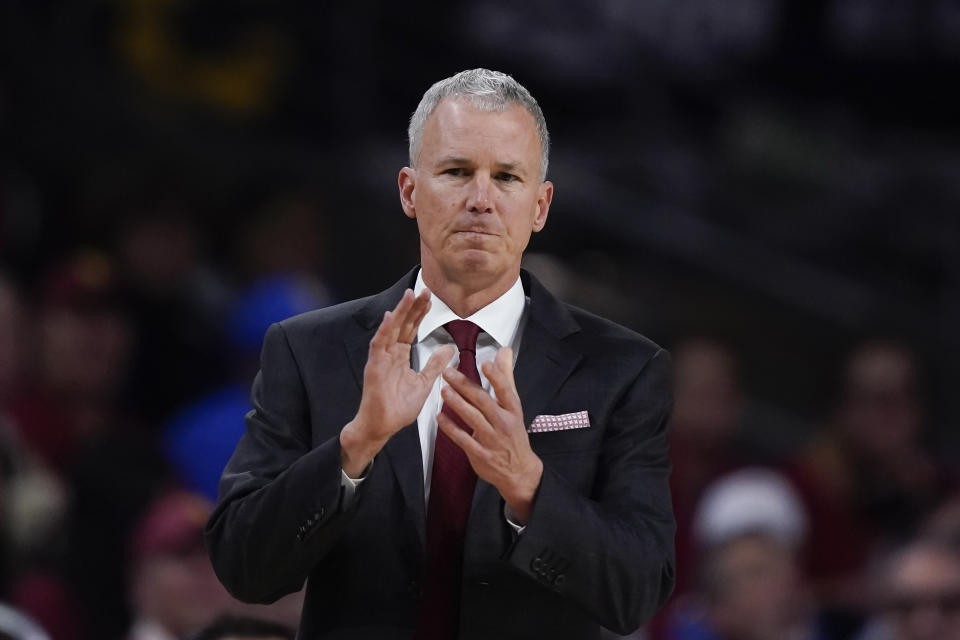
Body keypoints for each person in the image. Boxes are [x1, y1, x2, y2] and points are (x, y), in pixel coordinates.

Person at [206, 68, 676, 639]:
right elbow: (243, 569)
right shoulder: (309, 350)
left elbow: (639, 590)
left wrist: (527, 484)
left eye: (506, 177)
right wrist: (356, 445)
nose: (481, 199)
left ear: (540, 205)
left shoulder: (623, 370)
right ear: (409, 190)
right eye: (457, 172)